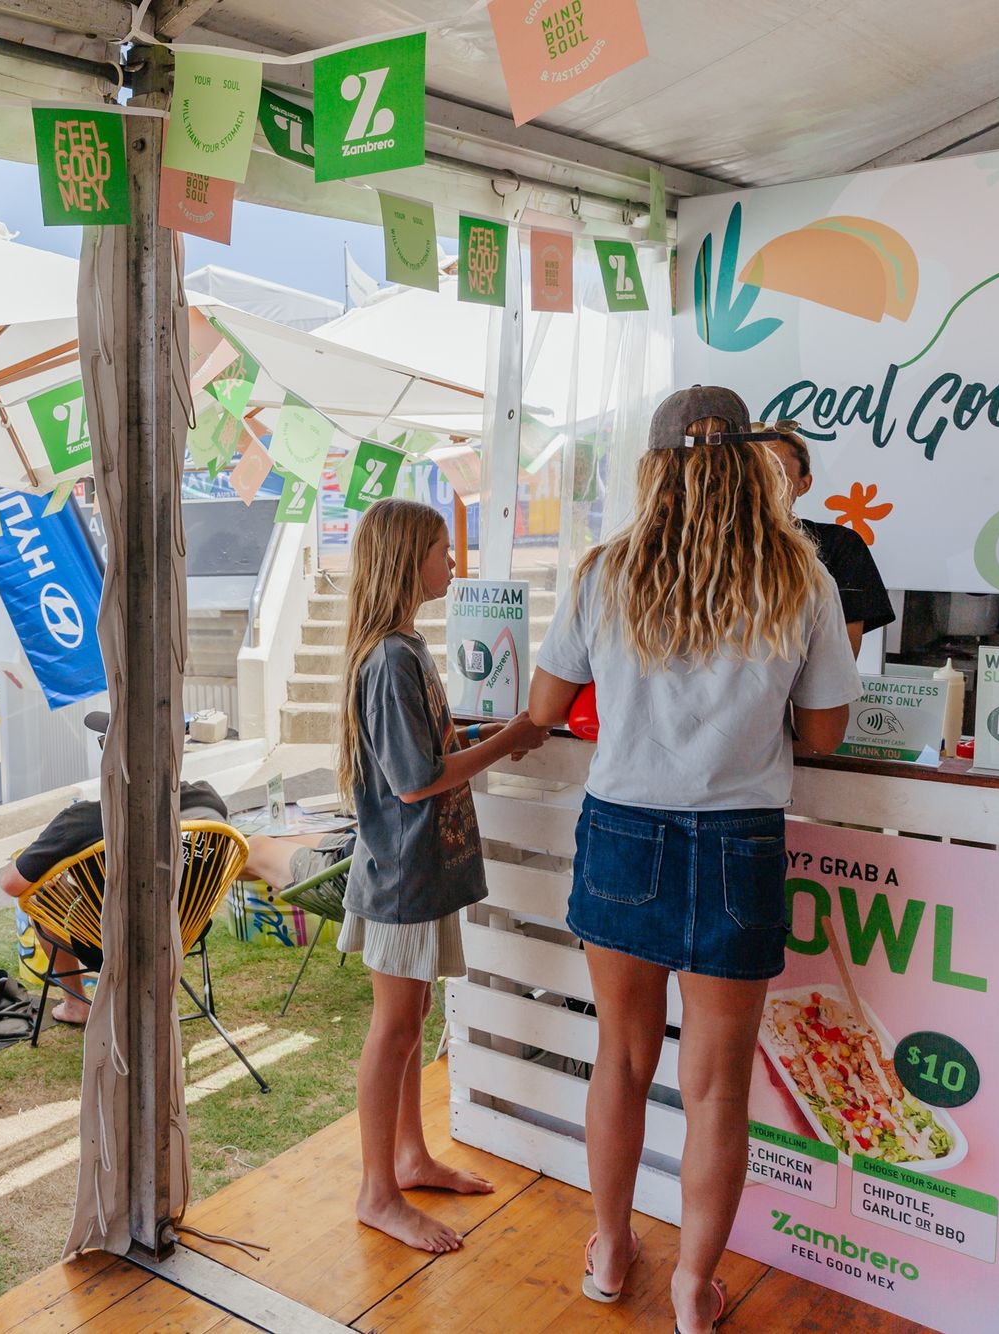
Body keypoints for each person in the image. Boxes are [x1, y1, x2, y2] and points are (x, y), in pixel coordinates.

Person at [524, 387, 857, 1334]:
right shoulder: (803, 580)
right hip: (740, 843)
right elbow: (826, 733)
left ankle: (611, 1247)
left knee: (621, 1062)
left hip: (624, 830)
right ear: (754, 460)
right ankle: (694, 1287)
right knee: (717, 1086)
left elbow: (547, 707)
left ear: (656, 464)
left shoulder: (606, 571)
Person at [335, 498, 548, 1254]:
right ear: (405, 558)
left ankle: (410, 1157)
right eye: (440, 548)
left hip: (417, 872)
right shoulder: (391, 657)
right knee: (393, 1030)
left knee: (409, 1022)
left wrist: (487, 735)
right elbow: (417, 780)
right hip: (401, 877)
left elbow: (431, 745)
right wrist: (512, 738)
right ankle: (377, 1192)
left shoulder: (405, 647)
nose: (452, 562)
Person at [0, 780, 228, 1026]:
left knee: (43, 900)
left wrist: (52, 865)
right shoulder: (206, 797)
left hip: (112, 942)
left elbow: (11, 884)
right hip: (186, 929)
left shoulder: (81, 820)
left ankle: (76, 1005)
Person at [765, 419, 894, 656]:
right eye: (751, 471)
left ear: (803, 484)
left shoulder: (840, 546)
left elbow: (839, 665)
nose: (761, 483)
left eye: (775, 471)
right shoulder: (701, 548)